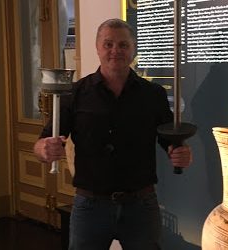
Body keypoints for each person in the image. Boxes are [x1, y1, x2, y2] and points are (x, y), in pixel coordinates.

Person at [33, 18, 193, 250]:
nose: (115, 51)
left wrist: (180, 153)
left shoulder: (153, 94)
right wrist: (44, 149)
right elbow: (42, 143)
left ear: (133, 50)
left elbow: (169, 139)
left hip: (141, 206)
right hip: (90, 207)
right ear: (97, 48)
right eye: (108, 44)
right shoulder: (75, 93)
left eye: (123, 45)